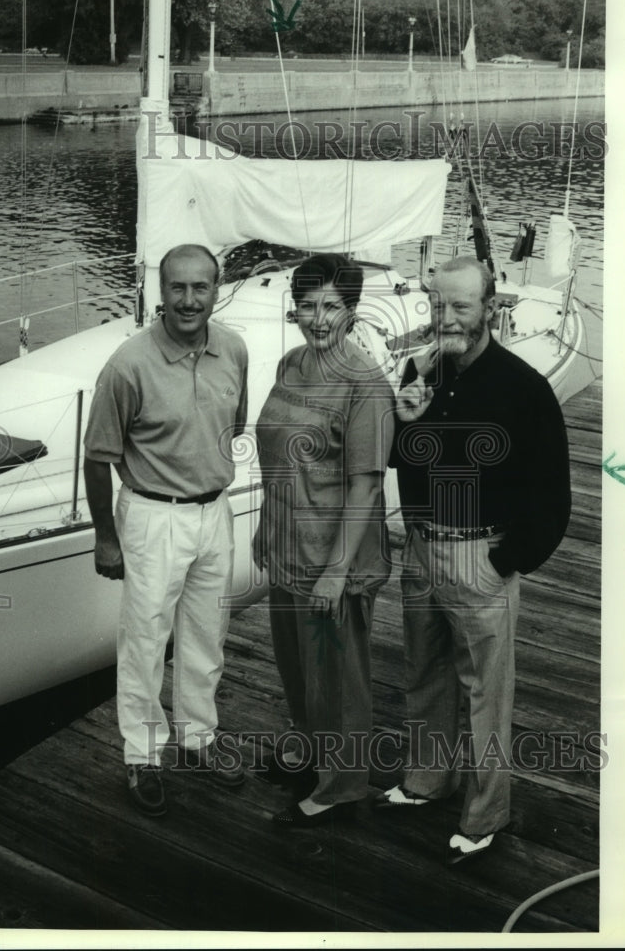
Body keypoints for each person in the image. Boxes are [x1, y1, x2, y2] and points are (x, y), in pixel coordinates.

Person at [379, 255, 571, 864]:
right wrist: (404, 423)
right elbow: (402, 461)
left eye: (460, 305)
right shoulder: (420, 370)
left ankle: (485, 815)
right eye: (437, 304)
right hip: (422, 549)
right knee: (425, 674)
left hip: (479, 558)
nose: (447, 316)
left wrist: (506, 559)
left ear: (489, 306)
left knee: (486, 693)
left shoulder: (524, 388)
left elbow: (553, 494)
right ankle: (427, 781)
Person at [83, 243, 248, 817]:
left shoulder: (233, 349)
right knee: (146, 641)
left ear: (216, 288)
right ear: (161, 291)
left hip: (214, 512)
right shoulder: (129, 365)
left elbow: (236, 422)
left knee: (207, 634)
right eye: (177, 287)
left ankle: (199, 736)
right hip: (153, 516)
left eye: (200, 287)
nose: (188, 300)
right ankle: (143, 754)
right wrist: (106, 537)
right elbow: (96, 457)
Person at [252, 253, 395, 828]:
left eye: (331, 306)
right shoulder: (291, 364)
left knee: (337, 673)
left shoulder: (365, 384)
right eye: (307, 305)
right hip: (289, 543)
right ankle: (312, 754)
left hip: (335, 555)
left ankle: (342, 787)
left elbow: (365, 485)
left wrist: (337, 571)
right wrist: (267, 521)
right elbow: (278, 454)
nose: (318, 318)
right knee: (296, 664)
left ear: (353, 311)